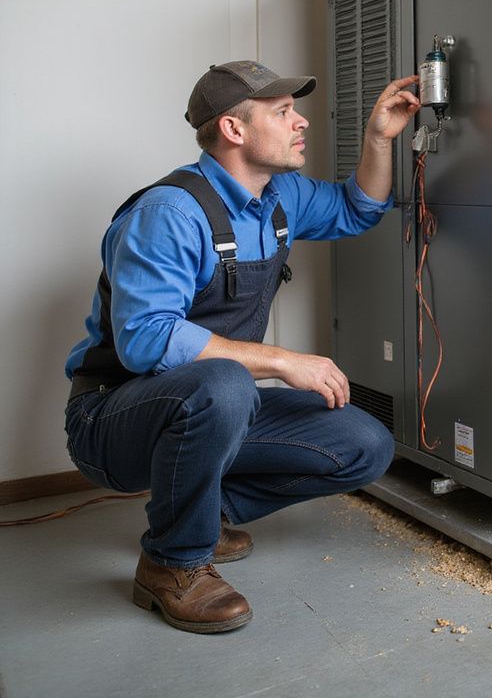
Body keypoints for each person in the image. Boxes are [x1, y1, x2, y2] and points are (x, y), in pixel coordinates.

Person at [65, 60, 420, 633]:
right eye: (282, 113)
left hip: (213, 404)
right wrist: (281, 359)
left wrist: (379, 139)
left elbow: (358, 210)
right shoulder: (169, 213)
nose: (300, 122)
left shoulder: (281, 197)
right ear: (233, 130)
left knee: (365, 444)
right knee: (226, 382)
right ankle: (171, 563)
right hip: (111, 418)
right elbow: (144, 340)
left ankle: (205, 513)